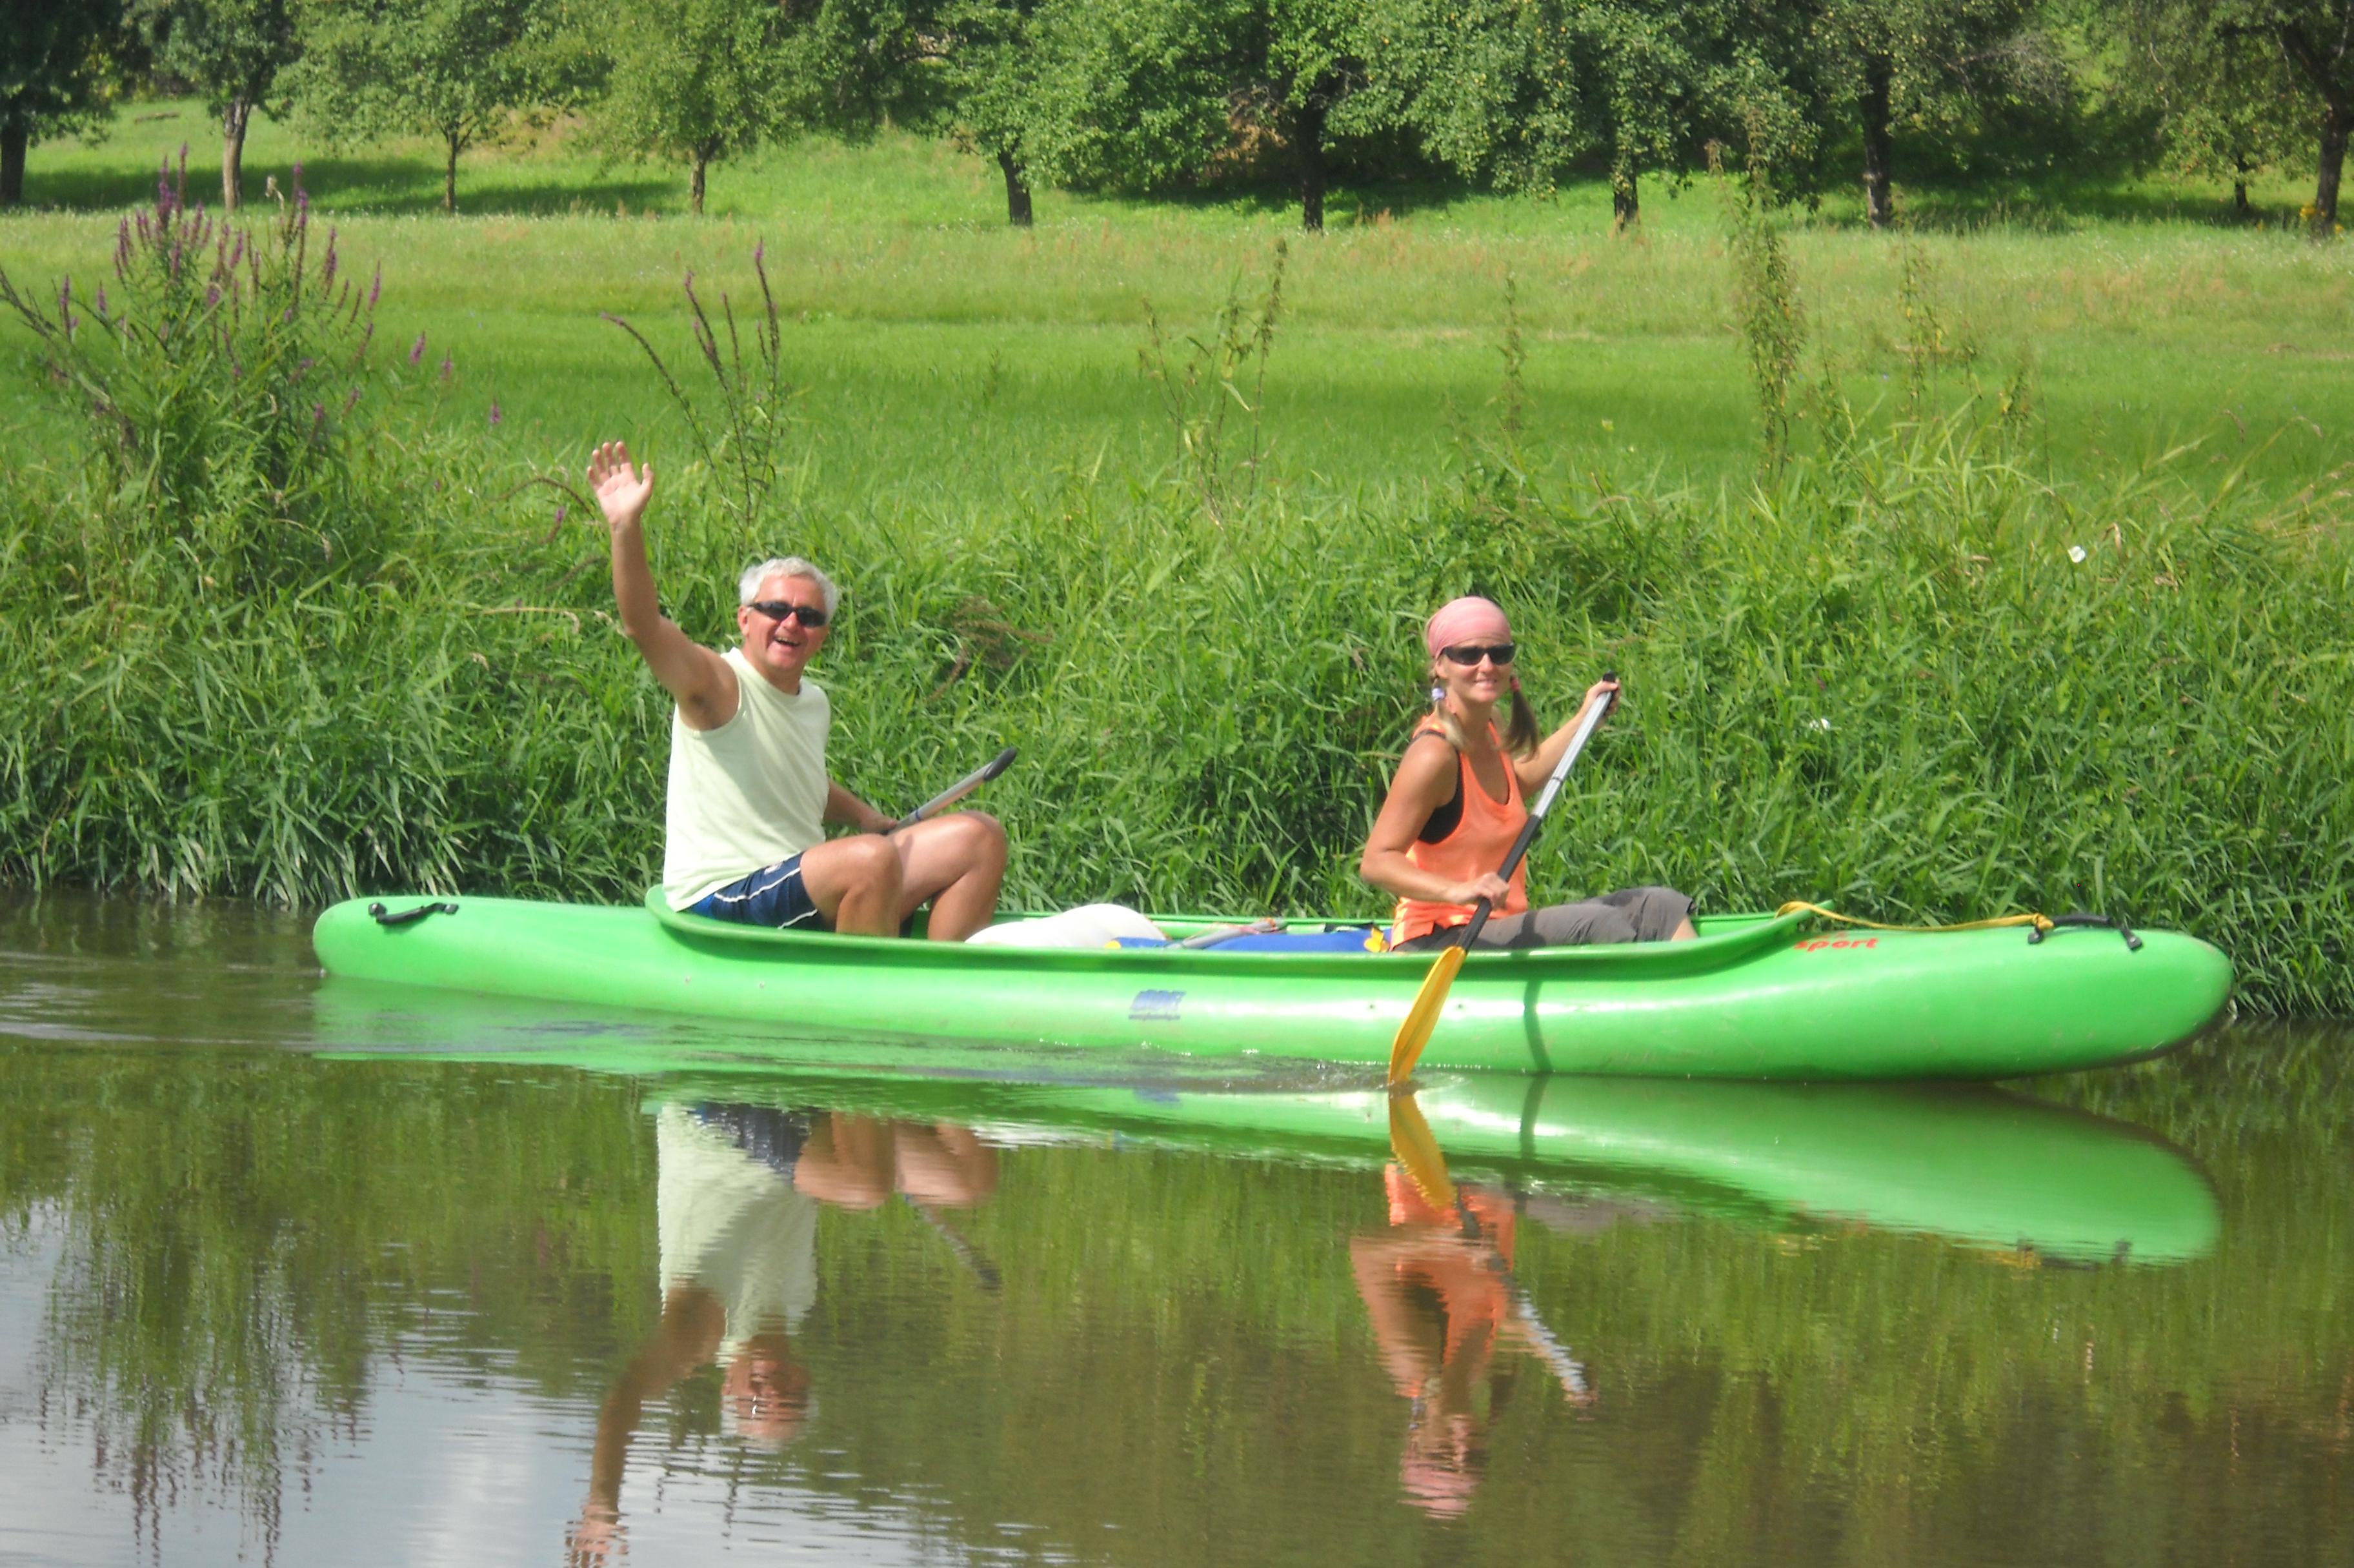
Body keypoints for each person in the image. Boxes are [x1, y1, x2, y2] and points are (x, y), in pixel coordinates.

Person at [591, 439, 1007, 938]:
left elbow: (800, 785)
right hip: (724, 893)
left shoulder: (813, 703)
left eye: (808, 617)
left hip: (800, 881)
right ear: (745, 619)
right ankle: (869, 981)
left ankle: (945, 978)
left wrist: (865, 816)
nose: (791, 623)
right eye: (776, 609)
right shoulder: (716, 685)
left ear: (821, 636)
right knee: (869, 861)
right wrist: (625, 527)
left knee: (980, 838)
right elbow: (643, 626)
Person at [1360, 596, 1696, 951]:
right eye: (1469, 655)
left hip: (1495, 926)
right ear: (1441, 666)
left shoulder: (1490, 725)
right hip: (1440, 937)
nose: (1487, 665)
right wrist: (1457, 891)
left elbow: (1510, 790)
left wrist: (1585, 720)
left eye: (1499, 653)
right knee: (1597, 925)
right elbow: (1377, 861)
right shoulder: (1434, 754)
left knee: (1659, 906)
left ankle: (1693, 984)